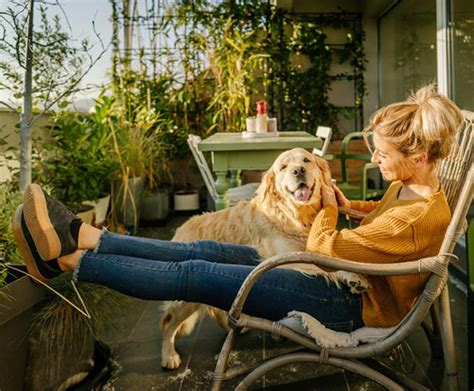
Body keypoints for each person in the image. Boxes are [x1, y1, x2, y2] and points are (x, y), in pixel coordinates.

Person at [13, 85, 463, 332]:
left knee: (195, 278)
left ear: (418, 156)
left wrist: (327, 206)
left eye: (383, 154)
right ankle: (85, 234)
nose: (375, 160)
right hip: (327, 276)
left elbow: (327, 248)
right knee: (197, 251)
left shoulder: (418, 216)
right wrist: (352, 205)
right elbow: (385, 218)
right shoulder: (417, 189)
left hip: (341, 301)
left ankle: (71, 260)